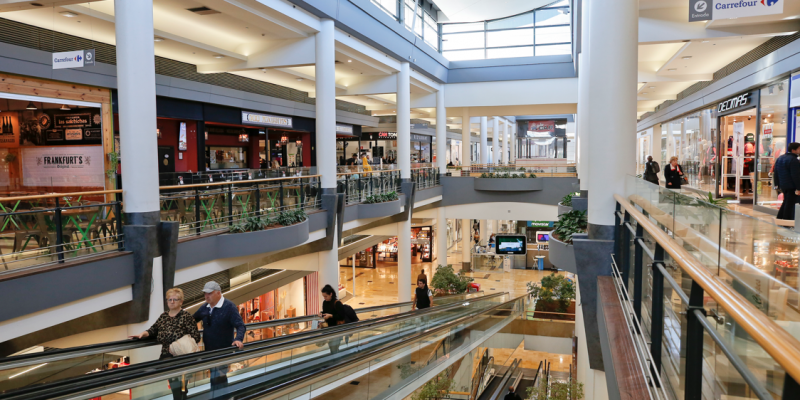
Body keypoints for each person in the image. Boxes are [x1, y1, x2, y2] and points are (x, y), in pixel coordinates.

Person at [131, 288, 200, 400]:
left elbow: (196, 337)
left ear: (181, 301)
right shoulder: (163, 316)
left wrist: (179, 343)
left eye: (175, 299)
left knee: (180, 387)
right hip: (166, 356)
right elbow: (153, 329)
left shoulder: (186, 316)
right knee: (174, 386)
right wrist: (143, 333)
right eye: (169, 299)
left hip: (182, 357)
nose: (171, 302)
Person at [193, 281, 245, 393]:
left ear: (218, 293)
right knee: (215, 379)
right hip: (210, 351)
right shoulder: (205, 307)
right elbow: (192, 321)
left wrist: (238, 339)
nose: (206, 296)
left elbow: (240, 325)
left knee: (219, 379)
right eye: (205, 293)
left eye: (210, 293)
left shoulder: (229, 307)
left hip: (224, 351)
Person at [773, 142, 800, 220]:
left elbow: (776, 172)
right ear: (793, 150)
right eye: (799, 149)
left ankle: (780, 217)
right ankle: (786, 220)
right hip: (792, 185)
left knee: (786, 202)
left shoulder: (780, 158)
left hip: (783, 185)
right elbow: (795, 175)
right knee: (790, 203)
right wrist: (799, 188)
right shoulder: (794, 160)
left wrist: (777, 184)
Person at [320, 284, 345, 353]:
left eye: (326, 296)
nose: (325, 298)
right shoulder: (325, 303)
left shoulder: (337, 303)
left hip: (337, 329)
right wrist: (321, 314)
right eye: (323, 296)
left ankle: (336, 361)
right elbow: (325, 313)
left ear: (331, 294)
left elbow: (341, 316)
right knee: (331, 347)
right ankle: (335, 359)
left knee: (334, 348)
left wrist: (331, 316)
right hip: (329, 329)